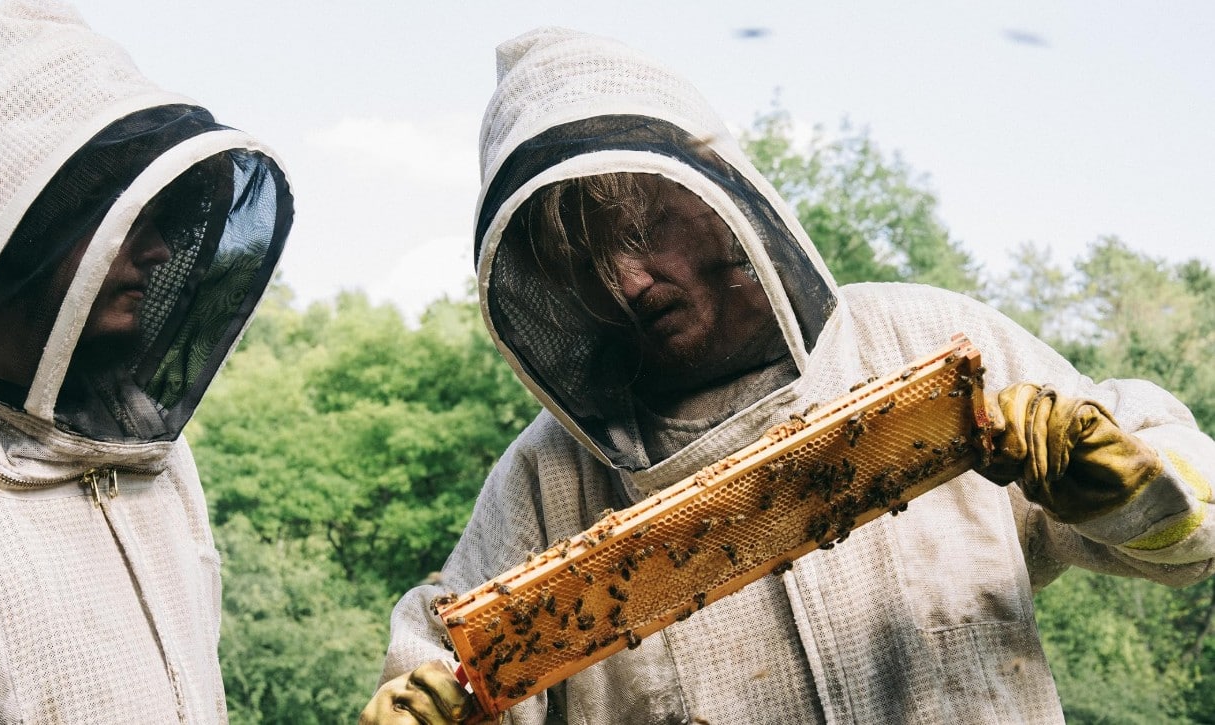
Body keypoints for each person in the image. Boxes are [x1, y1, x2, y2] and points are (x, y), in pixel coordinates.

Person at [363, 27, 1215, 724]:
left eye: (642, 228)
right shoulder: (545, 480)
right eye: (581, 260)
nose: (624, 281)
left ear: (713, 198)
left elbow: (1191, 541)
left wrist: (1123, 479)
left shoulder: (921, 335)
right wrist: (446, 705)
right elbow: (440, 649)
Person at [0, 0, 293, 721]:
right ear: (34, 224)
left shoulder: (151, 448)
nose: (159, 251)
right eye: (129, 218)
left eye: (167, 224)